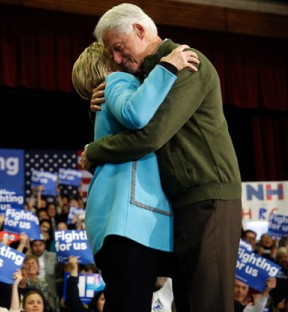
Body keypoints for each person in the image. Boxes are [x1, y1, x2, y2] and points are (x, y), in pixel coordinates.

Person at [81, 3, 242, 312]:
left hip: (208, 199)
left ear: (140, 31)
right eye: (111, 54)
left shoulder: (185, 63)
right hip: (180, 203)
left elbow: (150, 136)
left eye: (118, 48)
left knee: (207, 303)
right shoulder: (148, 77)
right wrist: (97, 114)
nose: (115, 59)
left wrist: (94, 151)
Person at [72, 36, 198, 312]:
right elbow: (136, 114)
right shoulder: (119, 82)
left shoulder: (105, 100)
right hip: (130, 222)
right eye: (115, 53)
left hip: (113, 223)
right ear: (107, 64)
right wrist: (167, 67)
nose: (122, 57)